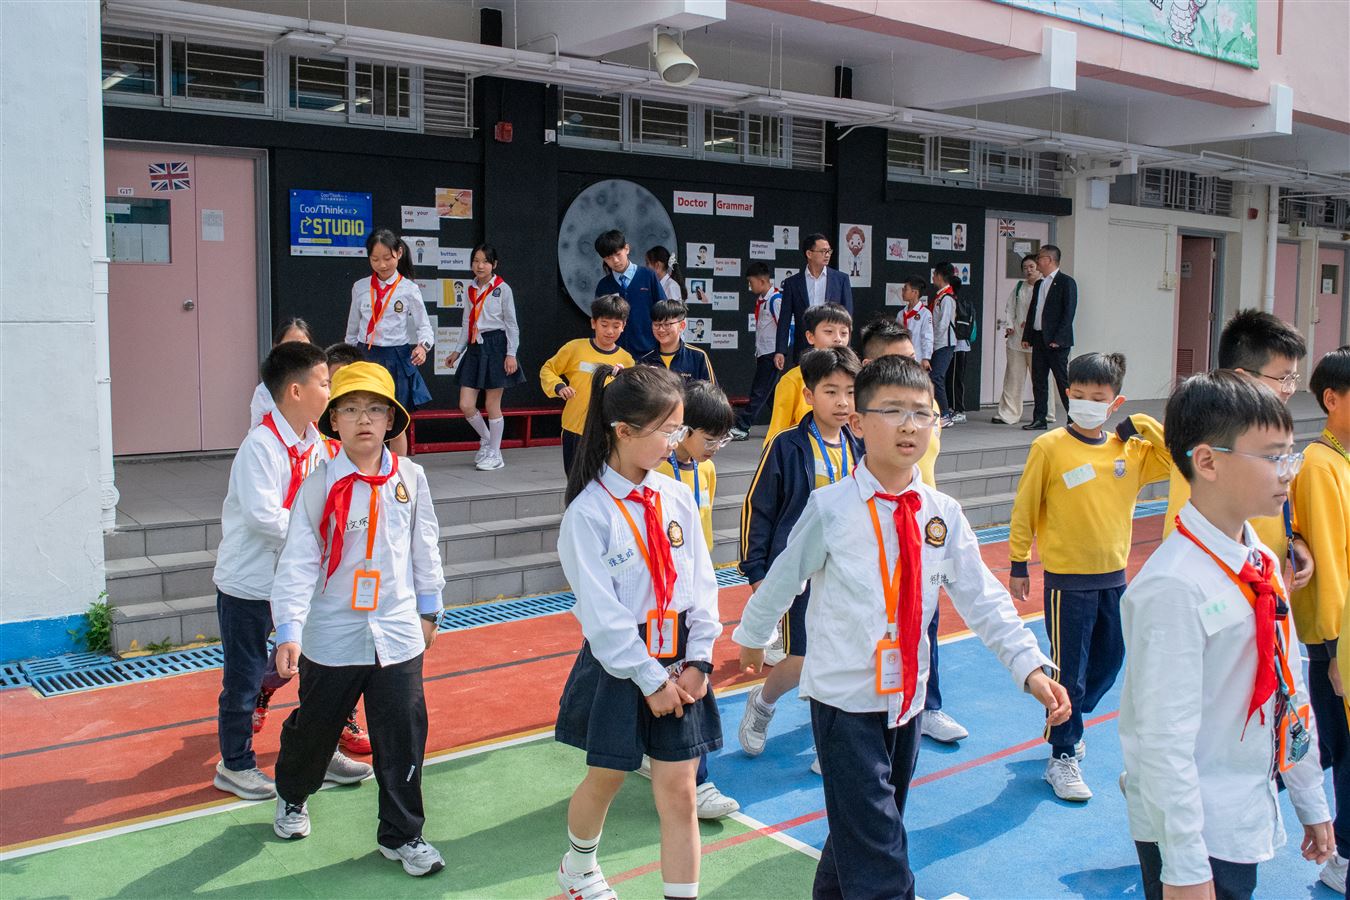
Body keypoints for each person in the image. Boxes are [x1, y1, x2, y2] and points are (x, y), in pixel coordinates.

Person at [734, 355, 1069, 899]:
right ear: (858, 423)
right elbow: (784, 577)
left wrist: (1029, 665)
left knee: (863, 835)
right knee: (880, 849)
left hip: (907, 701)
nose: (910, 425)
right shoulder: (831, 508)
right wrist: (753, 636)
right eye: (892, 411)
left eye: (922, 412)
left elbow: (983, 598)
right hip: (845, 702)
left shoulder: (942, 512)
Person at [1119, 370, 1333, 898]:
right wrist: (1185, 867)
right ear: (1208, 461)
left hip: (1244, 807)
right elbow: (1162, 741)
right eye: (1273, 458)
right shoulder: (1173, 586)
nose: (1287, 473)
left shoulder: (1260, 562)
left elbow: (1289, 687)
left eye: (1290, 456)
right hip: (1192, 828)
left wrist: (1309, 796)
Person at [268, 362, 447, 877]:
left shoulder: (411, 478)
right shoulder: (318, 485)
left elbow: (425, 546)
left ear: (391, 420)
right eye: (349, 409)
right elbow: (298, 561)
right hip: (333, 633)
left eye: (374, 409)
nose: (363, 419)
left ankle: (402, 834)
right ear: (334, 421)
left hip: (397, 632)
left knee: (403, 735)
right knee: (316, 728)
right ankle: (293, 793)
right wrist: (289, 629)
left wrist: (429, 609)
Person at [552, 364, 722, 900]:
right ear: (623, 431)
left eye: (680, 428)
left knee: (681, 791)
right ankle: (579, 867)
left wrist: (700, 659)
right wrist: (650, 680)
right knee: (608, 777)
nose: (677, 440)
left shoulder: (675, 495)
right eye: (668, 430)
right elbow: (601, 617)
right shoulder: (588, 514)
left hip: (681, 661)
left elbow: (703, 582)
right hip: (623, 663)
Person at [211, 341, 372, 800]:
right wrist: (319, 533)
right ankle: (235, 764)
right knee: (244, 679)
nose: (331, 391)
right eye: (325, 383)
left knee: (320, 671)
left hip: (301, 582)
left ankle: (317, 752)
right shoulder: (260, 446)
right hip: (251, 584)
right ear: (296, 391)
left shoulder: (317, 445)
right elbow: (264, 517)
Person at [1008, 352, 1170, 800]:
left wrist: (1144, 424)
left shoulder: (1130, 451)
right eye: (1078, 395)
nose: (1086, 404)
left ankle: (1070, 718)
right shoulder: (1050, 447)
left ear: (1115, 403)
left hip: (1114, 577)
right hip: (1067, 581)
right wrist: (1018, 562)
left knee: (1110, 661)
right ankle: (1062, 753)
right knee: (1071, 673)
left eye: (1098, 398)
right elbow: (1025, 507)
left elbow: (1179, 460)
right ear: (1067, 394)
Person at [1118, 310, 1314, 588]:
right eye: (1283, 378)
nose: (1290, 389)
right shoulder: (1210, 437)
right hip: (1222, 582)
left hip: (1259, 578)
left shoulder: (1263, 433)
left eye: (1294, 378)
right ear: (1243, 377)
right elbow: (1189, 532)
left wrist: (1292, 538)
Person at [738, 347, 864, 770]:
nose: (843, 402)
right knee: (803, 657)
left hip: (847, 571)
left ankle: (833, 739)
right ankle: (763, 701)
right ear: (809, 395)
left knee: (844, 655)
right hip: (799, 572)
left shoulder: (860, 444)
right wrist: (757, 570)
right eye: (831, 391)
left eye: (850, 392)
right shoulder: (786, 445)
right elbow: (758, 508)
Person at [859, 319, 965, 743]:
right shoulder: (867, 416)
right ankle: (848, 720)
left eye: (912, 358)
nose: (911, 368)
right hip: (874, 530)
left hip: (924, 529)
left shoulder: (926, 405)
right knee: (867, 629)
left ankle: (928, 707)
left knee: (925, 621)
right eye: (897, 360)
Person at [648, 380, 739, 820]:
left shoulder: (706, 471)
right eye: (710, 438)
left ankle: (695, 779)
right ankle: (690, 779)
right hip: (656, 599)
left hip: (691, 598)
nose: (716, 447)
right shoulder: (656, 474)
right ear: (683, 430)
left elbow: (701, 533)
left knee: (691, 680)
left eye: (723, 439)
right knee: (662, 682)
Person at [1294, 346, 1350, 892]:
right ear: (1331, 399)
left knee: (1327, 749)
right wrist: (1335, 652)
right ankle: (1344, 858)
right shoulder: (1319, 465)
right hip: (1338, 641)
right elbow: (1330, 563)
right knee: (1340, 750)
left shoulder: (1343, 460)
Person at [344, 228, 435, 457]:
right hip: (366, 357)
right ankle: (367, 466)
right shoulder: (360, 287)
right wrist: (348, 361)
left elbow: (425, 327)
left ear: (399, 253)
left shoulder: (409, 289)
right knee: (365, 417)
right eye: (375, 259)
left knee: (395, 423)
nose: (382, 265)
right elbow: (352, 330)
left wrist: (422, 347)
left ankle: (398, 471)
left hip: (397, 359)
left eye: (387, 258)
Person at [446, 244, 524, 472]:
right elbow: (466, 323)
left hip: (497, 346)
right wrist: (457, 351)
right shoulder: (470, 289)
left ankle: (495, 454)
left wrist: (511, 354)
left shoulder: (502, 289)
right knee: (466, 404)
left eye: (485, 261)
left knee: (492, 404)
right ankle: (489, 441)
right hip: (474, 347)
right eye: (476, 261)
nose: (480, 266)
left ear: (494, 264)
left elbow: (511, 324)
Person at [540, 295, 634, 475]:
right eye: (604, 324)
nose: (609, 331)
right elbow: (548, 369)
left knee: (603, 480)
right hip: (575, 428)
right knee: (575, 478)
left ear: (623, 326)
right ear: (593, 323)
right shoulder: (575, 348)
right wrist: (559, 386)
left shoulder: (626, 359)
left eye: (616, 326)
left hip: (607, 432)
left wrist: (624, 378)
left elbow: (632, 397)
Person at [762, 303, 852, 448]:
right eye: (829, 331)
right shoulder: (793, 380)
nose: (838, 339)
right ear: (810, 337)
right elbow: (777, 432)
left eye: (844, 333)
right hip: (803, 454)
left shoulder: (853, 376)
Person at [775, 233, 854, 366]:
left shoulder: (841, 280)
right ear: (809, 254)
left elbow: (848, 317)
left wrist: (846, 349)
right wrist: (780, 350)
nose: (827, 255)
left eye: (829, 251)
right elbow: (784, 318)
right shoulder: (793, 283)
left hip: (833, 346)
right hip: (803, 346)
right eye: (823, 251)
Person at [1021, 244, 1077, 431]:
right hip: (1039, 338)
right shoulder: (1039, 284)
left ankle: (1074, 419)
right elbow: (1033, 311)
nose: (1037, 261)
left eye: (1040, 257)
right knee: (1038, 381)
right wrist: (1027, 335)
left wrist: (1058, 338)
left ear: (1050, 260)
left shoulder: (1066, 282)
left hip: (1056, 342)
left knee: (1062, 381)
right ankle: (1039, 419)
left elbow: (1068, 313)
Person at [730, 262, 782, 441]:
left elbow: (786, 328)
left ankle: (742, 427)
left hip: (772, 354)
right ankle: (787, 425)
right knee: (770, 395)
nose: (749, 286)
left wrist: (780, 352)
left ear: (762, 281)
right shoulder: (762, 300)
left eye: (751, 282)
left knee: (759, 392)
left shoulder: (776, 300)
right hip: (763, 352)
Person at [594, 229, 666, 357]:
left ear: (626, 249)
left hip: (648, 350)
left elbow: (662, 309)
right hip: (615, 352)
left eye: (618, 254)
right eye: (609, 258)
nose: (615, 260)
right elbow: (599, 320)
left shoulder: (648, 276)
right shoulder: (604, 285)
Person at [992, 255, 1045, 425]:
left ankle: (1045, 413)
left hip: (1036, 340)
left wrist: (1031, 324)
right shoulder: (1019, 287)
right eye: (1025, 268)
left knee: (1040, 379)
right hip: (1016, 339)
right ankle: (1009, 413)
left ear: (1038, 267)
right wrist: (1010, 324)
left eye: (1031, 267)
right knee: (1013, 377)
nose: (1028, 270)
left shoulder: (1045, 287)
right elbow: (1010, 308)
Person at [250, 318, 313, 429]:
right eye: (290, 346)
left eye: (304, 347)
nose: (297, 353)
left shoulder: (321, 386)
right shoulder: (264, 392)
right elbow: (257, 432)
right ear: (276, 348)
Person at [638, 300, 716, 385]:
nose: (661, 329)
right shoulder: (645, 361)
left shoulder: (697, 357)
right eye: (656, 324)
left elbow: (711, 391)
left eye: (667, 324)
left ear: (682, 326)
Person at [929, 263, 958, 427]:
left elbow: (943, 325)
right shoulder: (940, 297)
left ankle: (945, 414)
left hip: (944, 343)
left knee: (936, 377)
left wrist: (932, 341)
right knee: (933, 378)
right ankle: (938, 413)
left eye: (934, 274)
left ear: (940, 276)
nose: (933, 277)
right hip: (938, 343)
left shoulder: (947, 298)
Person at [897, 277, 933, 375]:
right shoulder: (901, 314)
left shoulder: (925, 313)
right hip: (902, 358)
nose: (902, 291)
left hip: (918, 358)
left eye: (905, 289)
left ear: (915, 293)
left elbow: (927, 337)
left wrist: (926, 358)